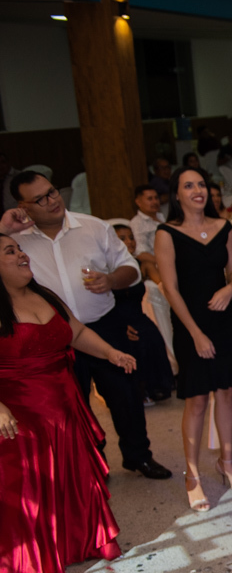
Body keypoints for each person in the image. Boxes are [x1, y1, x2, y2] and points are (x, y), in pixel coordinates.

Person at [4, 171, 171, 480]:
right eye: (39, 199)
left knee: (126, 396)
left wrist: (110, 280)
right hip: (53, 337)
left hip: (105, 324)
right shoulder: (15, 241)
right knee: (74, 406)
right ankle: (93, 463)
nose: (52, 201)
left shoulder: (93, 226)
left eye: (52, 191)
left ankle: (139, 456)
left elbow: (130, 268)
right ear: (23, 206)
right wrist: (4, 227)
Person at [0, 233, 133, 573]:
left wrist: (110, 352)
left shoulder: (46, 296)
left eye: (20, 248)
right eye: (10, 251)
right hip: (20, 414)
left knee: (72, 476)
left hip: (65, 405)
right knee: (29, 487)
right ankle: (29, 557)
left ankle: (81, 540)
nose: (22, 255)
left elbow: (75, 333)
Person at [154, 168, 232, 510]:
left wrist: (229, 287)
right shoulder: (167, 233)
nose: (197, 191)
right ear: (176, 195)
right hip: (189, 322)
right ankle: (192, 474)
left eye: (201, 185)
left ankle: (227, 462)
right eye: (188, 186)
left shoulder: (223, 226)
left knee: (227, 393)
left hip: (223, 318)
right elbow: (170, 288)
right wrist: (195, 333)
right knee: (197, 400)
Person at [111, 221, 174, 402]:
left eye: (131, 237)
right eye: (122, 238)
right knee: (131, 340)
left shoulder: (142, 263)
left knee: (151, 335)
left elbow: (163, 283)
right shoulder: (106, 269)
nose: (130, 242)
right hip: (117, 320)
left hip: (139, 317)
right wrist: (119, 326)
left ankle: (155, 387)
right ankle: (136, 391)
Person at [131, 184, 165, 275]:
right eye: (150, 199)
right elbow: (141, 253)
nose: (155, 202)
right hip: (157, 265)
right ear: (138, 202)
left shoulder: (162, 216)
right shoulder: (137, 223)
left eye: (156, 198)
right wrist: (165, 263)